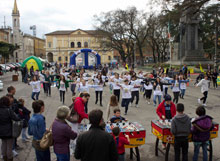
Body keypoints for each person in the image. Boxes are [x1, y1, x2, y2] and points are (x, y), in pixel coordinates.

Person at [0, 96, 21, 161]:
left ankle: (4, 157)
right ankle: (9, 158)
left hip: (1, 131)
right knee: (9, 146)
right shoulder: (8, 110)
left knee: (3, 144)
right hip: (9, 130)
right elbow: (16, 118)